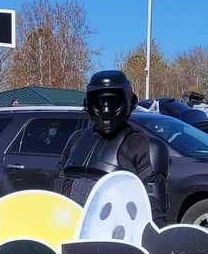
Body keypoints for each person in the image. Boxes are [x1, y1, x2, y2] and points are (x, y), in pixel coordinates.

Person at [58, 70, 167, 224]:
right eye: (100, 103)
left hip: (118, 237)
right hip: (73, 231)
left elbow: (153, 210)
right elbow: (59, 193)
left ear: (130, 102)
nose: (106, 111)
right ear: (88, 104)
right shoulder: (76, 141)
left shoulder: (146, 146)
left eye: (113, 102)